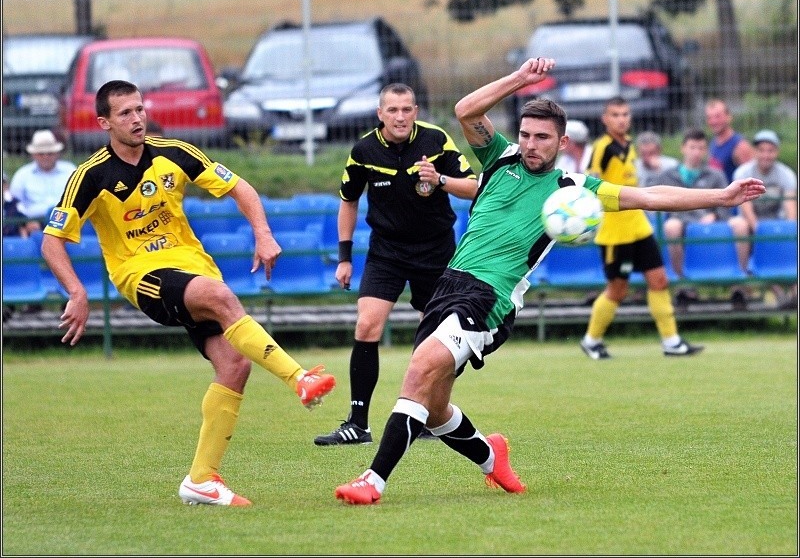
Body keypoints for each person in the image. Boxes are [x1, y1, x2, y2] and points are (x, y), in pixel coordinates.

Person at [332, 57, 766, 505]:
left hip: (489, 299)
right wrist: (520, 79)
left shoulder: (573, 188)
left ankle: (373, 480)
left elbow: (651, 196)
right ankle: (491, 455)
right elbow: (466, 110)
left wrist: (722, 195)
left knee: (419, 370)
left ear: (561, 142)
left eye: (542, 137)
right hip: (449, 285)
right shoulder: (499, 158)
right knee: (435, 406)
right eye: (525, 134)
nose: (530, 144)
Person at [40, 80, 336, 507]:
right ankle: (300, 378)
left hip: (192, 268)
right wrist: (77, 292)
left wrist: (263, 234)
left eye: (139, 109)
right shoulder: (91, 176)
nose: (137, 118)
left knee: (234, 365)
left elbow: (240, 187)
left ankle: (201, 479)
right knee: (220, 297)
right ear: (104, 122)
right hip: (142, 275)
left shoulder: (174, 152)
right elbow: (53, 241)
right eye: (125, 113)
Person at [314, 83, 478, 447]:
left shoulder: (436, 142)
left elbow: (475, 186)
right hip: (386, 251)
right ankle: (358, 424)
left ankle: (424, 418)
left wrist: (440, 181)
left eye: (406, 110)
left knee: (432, 339)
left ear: (416, 111)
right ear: (380, 114)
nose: (400, 117)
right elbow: (349, 201)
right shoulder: (363, 150)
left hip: (435, 251)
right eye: (393, 111)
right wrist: (344, 258)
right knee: (367, 324)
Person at [579, 97, 704, 360]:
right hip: (615, 233)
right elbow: (590, 185)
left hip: (639, 227)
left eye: (625, 114)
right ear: (605, 119)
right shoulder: (602, 148)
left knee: (659, 280)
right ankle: (591, 340)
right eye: (615, 115)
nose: (621, 119)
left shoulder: (630, 145)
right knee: (617, 290)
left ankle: (671, 341)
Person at [648, 128, 748, 281]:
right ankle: (681, 280)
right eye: (692, 147)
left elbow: (727, 203)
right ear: (683, 148)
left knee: (741, 224)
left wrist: (714, 215)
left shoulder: (716, 174)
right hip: (680, 219)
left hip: (712, 219)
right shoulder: (667, 176)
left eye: (700, 148)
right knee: (671, 227)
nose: (696, 152)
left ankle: (741, 278)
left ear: (706, 150)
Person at [733, 129, 797, 309]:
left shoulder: (786, 175)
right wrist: (760, 231)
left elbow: (790, 208)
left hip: (775, 222)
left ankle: (792, 291)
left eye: (770, 150)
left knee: (786, 235)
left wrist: (788, 231)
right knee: (743, 227)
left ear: (776, 152)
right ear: (755, 152)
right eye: (762, 150)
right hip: (751, 223)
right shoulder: (743, 172)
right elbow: (744, 205)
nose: (766, 155)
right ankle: (742, 282)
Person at [9, 129, 76, 234]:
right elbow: (14, 204)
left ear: (57, 153)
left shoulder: (70, 171)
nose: (45, 156)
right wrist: (25, 222)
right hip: (34, 225)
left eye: (49, 153)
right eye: (41, 153)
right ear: (33, 154)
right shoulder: (22, 175)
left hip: (68, 223)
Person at [705, 99, 755, 184]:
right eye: (710, 117)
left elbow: (752, 180)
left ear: (729, 117)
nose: (713, 121)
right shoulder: (713, 142)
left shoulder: (740, 146)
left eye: (718, 116)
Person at [3, 170, 28, 237]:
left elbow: (25, 222)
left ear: (6, 185)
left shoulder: (15, 203)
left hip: (14, 240)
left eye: (3, 183)